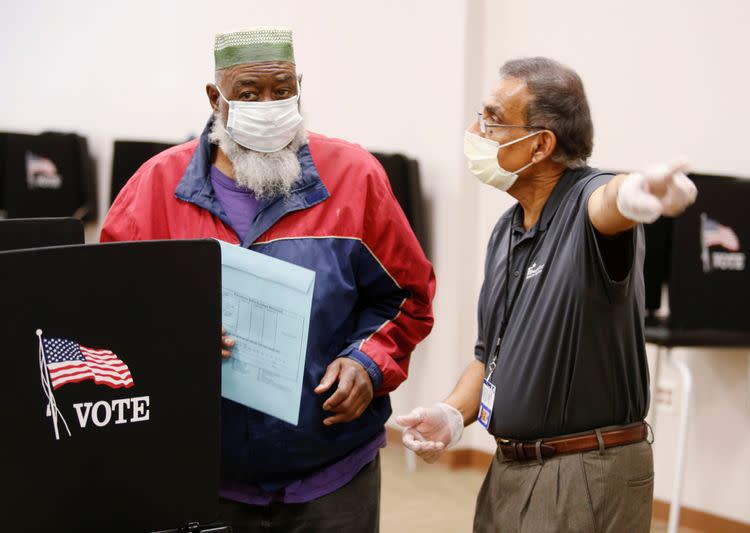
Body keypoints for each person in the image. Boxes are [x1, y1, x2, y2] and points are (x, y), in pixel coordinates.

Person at [101, 27, 435, 532]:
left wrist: (368, 362)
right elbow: (106, 309)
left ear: (300, 86)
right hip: (202, 476)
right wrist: (168, 342)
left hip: (331, 473)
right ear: (216, 98)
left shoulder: (355, 177)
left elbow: (406, 297)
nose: (269, 104)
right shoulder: (154, 190)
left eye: (282, 90)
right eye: (249, 94)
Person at [398, 57, 696, 533]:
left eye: (493, 118)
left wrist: (638, 192)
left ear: (540, 145)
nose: (476, 129)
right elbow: (490, 354)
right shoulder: (507, 230)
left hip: (582, 472)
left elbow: (610, 203)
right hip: (511, 468)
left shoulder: (586, 202)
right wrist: (452, 412)